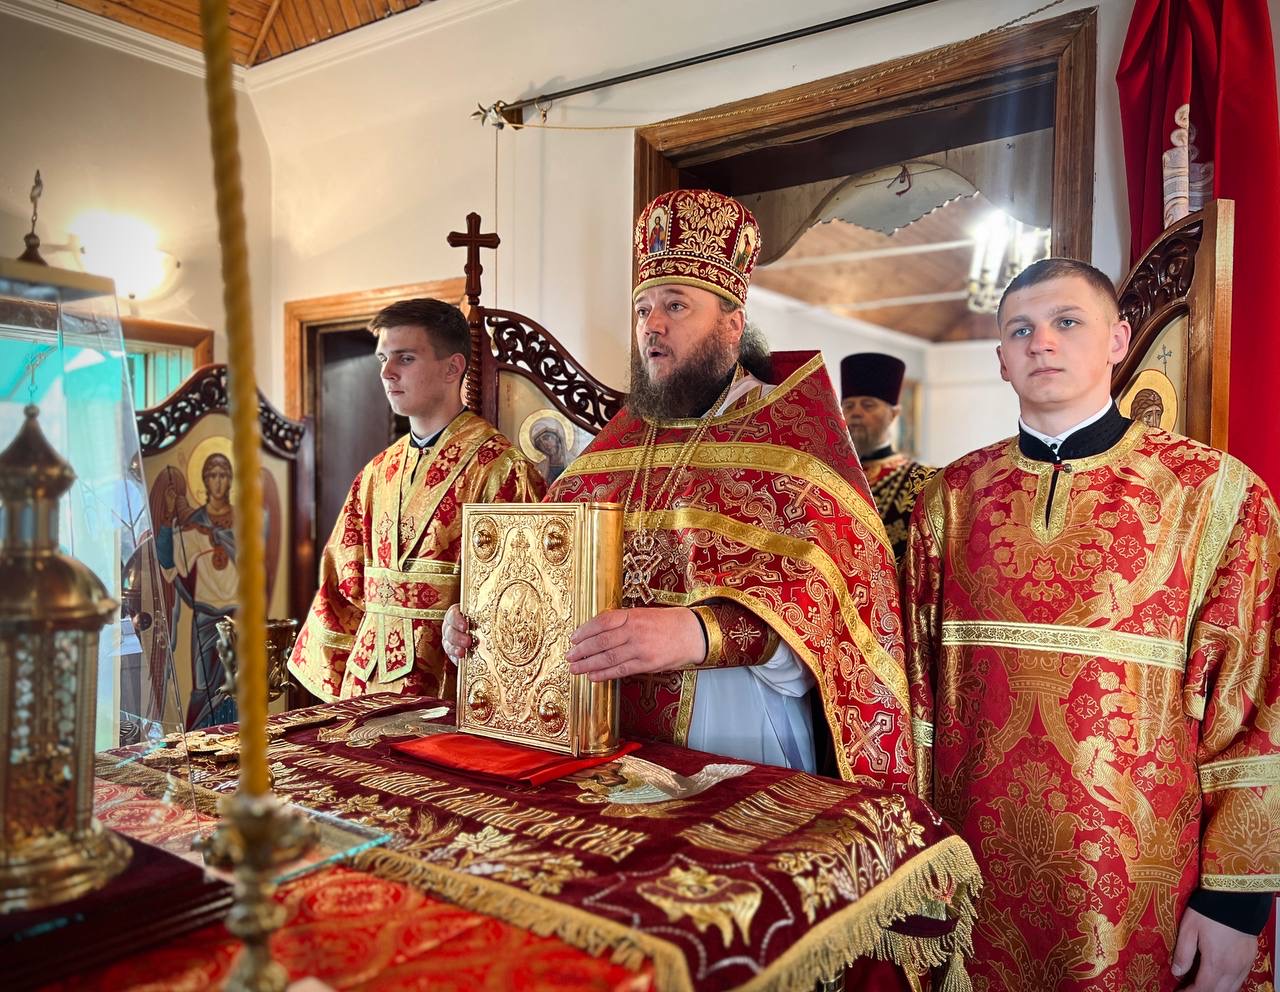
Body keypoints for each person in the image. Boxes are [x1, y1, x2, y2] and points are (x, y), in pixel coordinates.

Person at [444, 190, 916, 789]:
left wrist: (697, 634)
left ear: (733, 324)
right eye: (642, 308)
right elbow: (545, 572)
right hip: (606, 739)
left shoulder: (793, 445)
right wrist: (483, 622)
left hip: (737, 733)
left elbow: (836, 629)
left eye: (675, 305)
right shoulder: (617, 445)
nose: (652, 325)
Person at [902, 257, 1279, 991]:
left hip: (1145, 884)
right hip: (970, 871)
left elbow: (1257, 698)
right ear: (1002, 360)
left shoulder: (1217, 494)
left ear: (1118, 340)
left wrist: (1236, 901)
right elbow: (914, 693)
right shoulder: (948, 498)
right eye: (1021, 330)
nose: (1042, 342)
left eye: (1067, 322)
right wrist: (910, 855)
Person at [289, 298, 545, 702]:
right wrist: (335, 688)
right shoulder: (376, 473)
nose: (386, 372)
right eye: (382, 359)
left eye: (405, 358)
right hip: (363, 687)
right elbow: (341, 583)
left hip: (453, 689)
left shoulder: (501, 470)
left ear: (452, 368)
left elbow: (525, 599)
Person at [156, 451, 238, 728]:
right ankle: (203, 741)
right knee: (204, 688)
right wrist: (168, 515)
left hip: (239, 617)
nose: (218, 481)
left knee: (238, 685)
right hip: (205, 618)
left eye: (223, 474)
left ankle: (239, 738)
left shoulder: (245, 520)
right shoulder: (193, 524)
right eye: (212, 475)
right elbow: (168, 562)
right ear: (204, 480)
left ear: (230, 480)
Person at [840, 352, 935, 564]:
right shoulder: (829, 474)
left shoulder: (924, 481)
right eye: (848, 406)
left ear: (893, 414)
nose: (856, 413)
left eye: (868, 405)